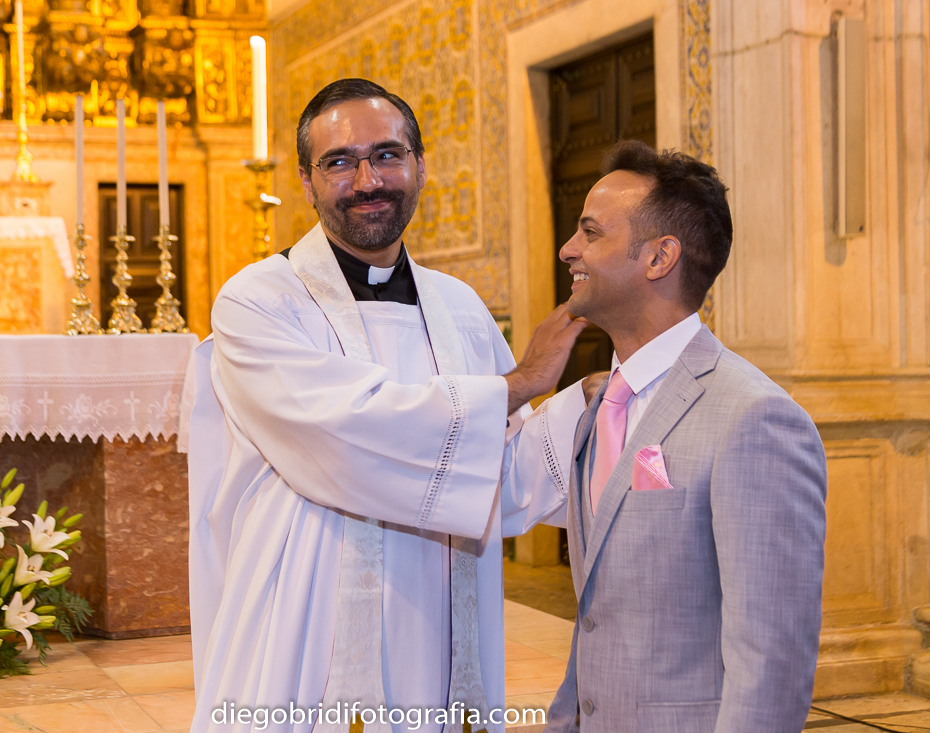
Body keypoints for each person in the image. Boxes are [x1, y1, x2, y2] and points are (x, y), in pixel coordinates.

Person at [186, 78, 588, 732]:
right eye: (339, 161)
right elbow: (345, 428)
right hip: (305, 626)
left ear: (421, 166)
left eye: (388, 155)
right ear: (305, 180)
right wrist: (519, 382)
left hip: (438, 610)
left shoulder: (459, 306)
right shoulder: (257, 300)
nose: (368, 179)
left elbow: (500, 465)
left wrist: (585, 407)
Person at [534, 141, 827, 732]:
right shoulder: (600, 405)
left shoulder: (755, 419)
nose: (568, 250)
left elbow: (769, 660)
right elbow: (600, 614)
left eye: (591, 232)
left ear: (659, 257)